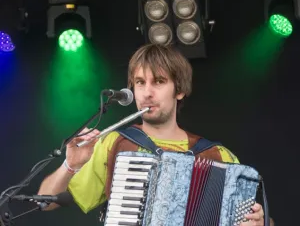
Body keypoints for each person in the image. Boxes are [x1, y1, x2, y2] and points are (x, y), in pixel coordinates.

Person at [38, 43, 265, 225]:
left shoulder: (219, 156)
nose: (147, 92)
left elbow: (259, 221)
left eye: (159, 82)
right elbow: (45, 203)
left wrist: (261, 223)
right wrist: (69, 166)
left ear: (180, 90)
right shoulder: (113, 144)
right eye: (140, 82)